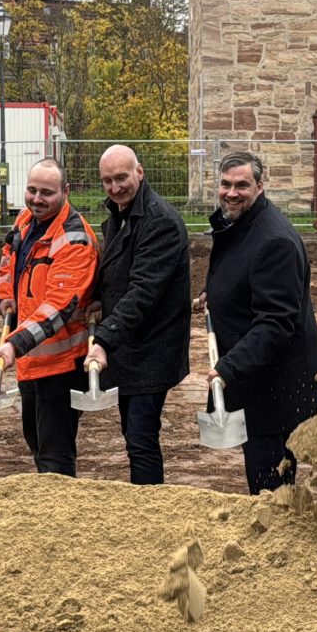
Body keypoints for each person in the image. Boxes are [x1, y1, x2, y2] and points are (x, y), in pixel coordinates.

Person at [204, 151, 317, 494]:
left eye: (242, 185)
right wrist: (215, 291)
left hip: (276, 390)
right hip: (259, 380)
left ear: (260, 185)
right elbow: (244, 273)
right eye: (225, 184)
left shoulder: (274, 241)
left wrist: (229, 367)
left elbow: (275, 323)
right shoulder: (242, 225)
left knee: (271, 483)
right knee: (264, 479)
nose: (231, 192)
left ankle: (279, 544)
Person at [88, 145, 191, 485]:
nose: (115, 187)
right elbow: (118, 271)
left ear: (140, 172)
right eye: (107, 181)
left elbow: (143, 291)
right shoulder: (121, 213)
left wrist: (103, 338)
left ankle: (151, 505)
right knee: (133, 434)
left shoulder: (159, 221)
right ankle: (144, 500)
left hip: (153, 346)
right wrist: (97, 298)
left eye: (121, 178)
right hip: (131, 344)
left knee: (141, 435)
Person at [0, 159, 98, 476]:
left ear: (65, 192)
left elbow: (58, 307)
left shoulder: (74, 239)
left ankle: (61, 517)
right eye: (32, 190)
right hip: (31, 359)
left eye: (47, 193)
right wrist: (3, 295)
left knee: (55, 453)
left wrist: (14, 344)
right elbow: (8, 259)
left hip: (61, 363)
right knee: (36, 441)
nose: (37, 199)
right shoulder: (26, 220)